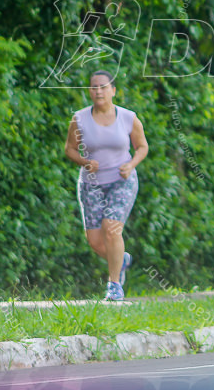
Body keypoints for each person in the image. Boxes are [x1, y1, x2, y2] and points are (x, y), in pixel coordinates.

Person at [63, 69, 149, 301]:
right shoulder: (79, 119)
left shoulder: (128, 117)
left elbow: (142, 147)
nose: (98, 91)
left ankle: (114, 286)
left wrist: (131, 165)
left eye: (103, 87)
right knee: (95, 241)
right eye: (94, 87)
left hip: (122, 181)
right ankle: (123, 261)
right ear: (89, 92)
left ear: (113, 90)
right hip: (91, 184)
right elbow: (69, 149)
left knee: (111, 228)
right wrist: (84, 161)